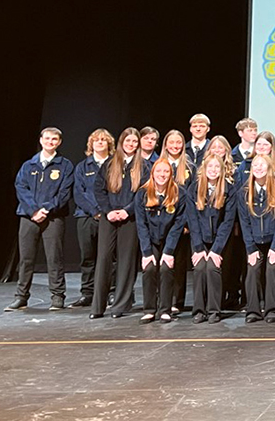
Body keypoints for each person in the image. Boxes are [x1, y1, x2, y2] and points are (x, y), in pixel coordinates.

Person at [6, 127, 74, 312]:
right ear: (41, 140)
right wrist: (33, 210)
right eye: (47, 138)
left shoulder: (65, 165)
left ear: (59, 142)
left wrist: (46, 209)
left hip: (53, 217)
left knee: (54, 258)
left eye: (54, 139)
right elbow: (21, 187)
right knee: (26, 258)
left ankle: (58, 296)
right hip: (29, 216)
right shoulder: (29, 165)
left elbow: (64, 193)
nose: (50, 142)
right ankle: (21, 297)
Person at [91, 127, 150, 319]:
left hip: (130, 219)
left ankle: (120, 305)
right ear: (121, 142)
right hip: (109, 218)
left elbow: (143, 193)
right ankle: (97, 307)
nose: (131, 145)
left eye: (134, 142)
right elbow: (99, 190)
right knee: (104, 260)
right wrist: (108, 211)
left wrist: (126, 211)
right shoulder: (109, 163)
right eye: (128, 141)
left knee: (126, 262)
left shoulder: (144, 166)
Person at [135, 159, 187, 324]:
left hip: (171, 240)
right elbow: (141, 225)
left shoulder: (180, 193)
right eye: (159, 171)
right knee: (149, 268)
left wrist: (169, 251)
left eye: (166, 172)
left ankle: (165, 310)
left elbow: (178, 224)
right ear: (152, 173)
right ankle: (149, 310)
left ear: (171, 174)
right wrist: (146, 252)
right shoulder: (142, 194)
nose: (162, 175)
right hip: (151, 240)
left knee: (166, 268)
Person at [187, 154, 237, 324]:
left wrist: (216, 250)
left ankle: (214, 309)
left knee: (212, 268)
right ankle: (199, 310)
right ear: (204, 169)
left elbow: (227, 222)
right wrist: (199, 248)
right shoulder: (194, 189)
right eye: (210, 167)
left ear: (222, 170)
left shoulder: (229, 190)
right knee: (200, 268)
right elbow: (192, 221)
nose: (213, 170)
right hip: (200, 241)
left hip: (220, 242)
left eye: (217, 167)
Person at [236, 154, 275, 323]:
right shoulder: (244, 192)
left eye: (262, 165)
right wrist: (250, 248)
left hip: (274, 242)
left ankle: (273, 310)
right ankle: (253, 310)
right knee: (253, 269)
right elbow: (244, 222)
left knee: (272, 270)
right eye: (255, 165)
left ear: (270, 167)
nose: (258, 168)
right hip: (254, 242)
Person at [70, 128, 115, 309]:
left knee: (110, 257)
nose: (100, 143)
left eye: (104, 140)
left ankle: (112, 292)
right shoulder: (82, 167)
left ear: (109, 144)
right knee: (87, 257)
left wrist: (104, 211)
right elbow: (79, 193)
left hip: (109, 217)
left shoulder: (114, 165)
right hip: (86, 217)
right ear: (91, 144)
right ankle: (87, 293)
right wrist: (95, 211)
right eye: (96, 140)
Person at [161, 129, 196, 315]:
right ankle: (162, 299)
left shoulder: (189, 166)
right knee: (162, 263)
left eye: (178, 143)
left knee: (179, 263)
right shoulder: (159, 165)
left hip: (182, 222)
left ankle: (177, 300)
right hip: (160, 222)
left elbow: (192, 197)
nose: (175, 146)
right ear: (166, 144)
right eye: (171, 142)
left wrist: (186, 223)